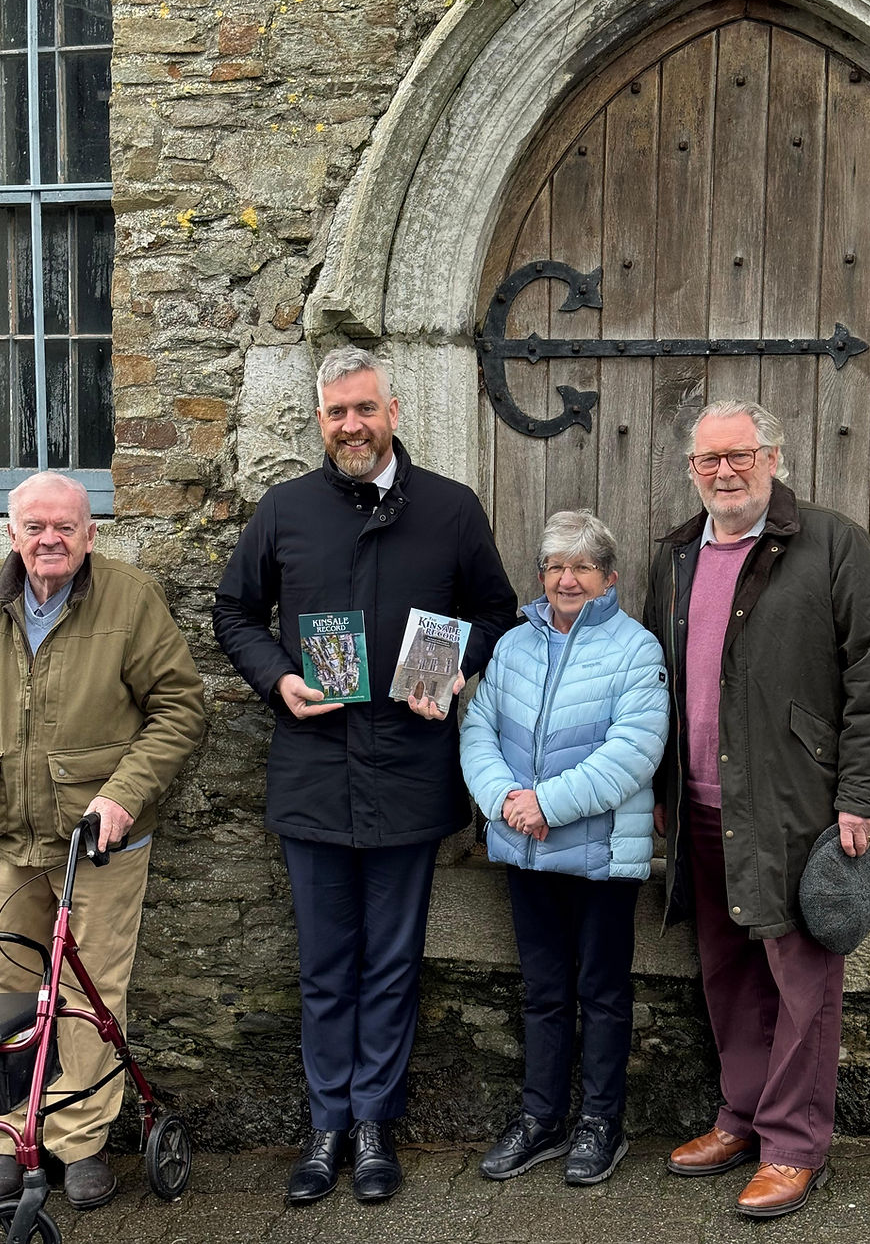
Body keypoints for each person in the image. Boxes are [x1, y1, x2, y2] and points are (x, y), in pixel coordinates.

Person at [213, 345, 517, 1205]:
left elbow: (495, 610)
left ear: (394, 411)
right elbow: (231, 609)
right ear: (321, 420)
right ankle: (325, 1126)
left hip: (410, 772)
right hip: (312, 774)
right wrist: (277, 676)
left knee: (390, 961)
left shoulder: (452, 510)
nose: (353, 424)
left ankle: (376, 1123)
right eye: (337, 412)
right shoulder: (287, 509)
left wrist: (457, 669)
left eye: (366, 409)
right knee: (323, 962)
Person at [0, 472, 204, 1210]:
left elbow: (180, 707)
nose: (50, 539)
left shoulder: (127, 598)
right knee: (9, 989)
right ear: (11, 533)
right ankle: (10, 1136)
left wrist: (123, 797)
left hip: (98, 841)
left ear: (90, 531)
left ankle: (78, 1141)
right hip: (6, 835)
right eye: (34, 526)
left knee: (85, 992)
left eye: (65, 525)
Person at [643, 400, 870, 1218]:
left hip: (795, 804)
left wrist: (860, 795)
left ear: (772, 455)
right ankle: (741, 1116)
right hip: (701, 803)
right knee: (729, 972)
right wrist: (662, 785)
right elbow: (656, 685)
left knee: (801, 979)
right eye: (709, 460)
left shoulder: (832, 541)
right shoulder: (675, 553)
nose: (725, 471)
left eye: (740, 454)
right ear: (692, 471)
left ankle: (793, 1143)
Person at [460, 511, 668, 1187]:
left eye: (581, 566)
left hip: (601, 855)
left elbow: (634, 751)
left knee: (602, 991)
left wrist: (547, 802)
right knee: (543, 992)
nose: (566, 578)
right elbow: (478, 729)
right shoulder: (515, 646)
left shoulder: (636, 649)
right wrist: (508, 802)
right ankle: (542, 1118)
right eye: (555, 566)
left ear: (608, 576)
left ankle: (601, 1123)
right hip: (527, 851)